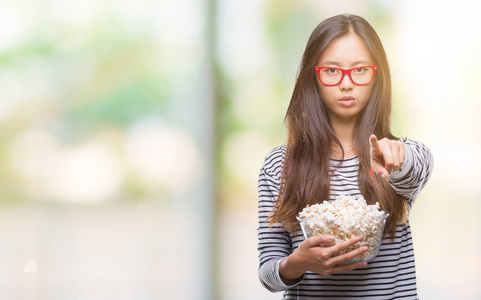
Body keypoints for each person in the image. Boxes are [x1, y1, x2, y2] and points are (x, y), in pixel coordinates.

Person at [257, 13, 434, 299]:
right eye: (331, 70)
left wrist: (397, 158)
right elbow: (269, 274)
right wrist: (298, 263)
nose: (347, 83)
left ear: (378, 75)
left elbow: (415, 164)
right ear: (312, 77)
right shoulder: (280, 165)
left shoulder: (395, 158)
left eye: (360, 69)